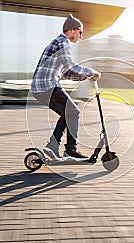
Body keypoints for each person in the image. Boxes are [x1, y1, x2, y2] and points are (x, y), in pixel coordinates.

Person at [31, 14, 100, 161]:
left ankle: (52, 147)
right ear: (71, 30)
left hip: (42, 87)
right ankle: (70, 150)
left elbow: (67, 73)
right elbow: (71, 66)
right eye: (80, 32)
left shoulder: (59, 43)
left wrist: (85, 77)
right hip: (47, 86)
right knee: (73, 112)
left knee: (68, 114)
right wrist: (91, 72)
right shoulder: (62, 42)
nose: (81, 36)